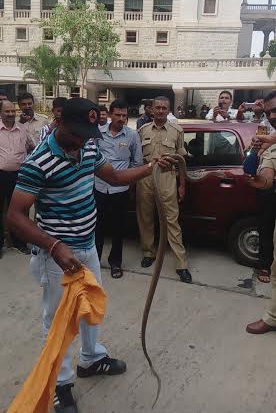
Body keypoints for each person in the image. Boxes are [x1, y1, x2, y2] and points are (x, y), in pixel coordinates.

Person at [7, 98, 174, 413]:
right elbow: (14, 216)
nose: (83, 140)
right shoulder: (38, 162)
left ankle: (91, 358)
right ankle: (60, 383)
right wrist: (54, 246)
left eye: (88, 132)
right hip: (58, 256)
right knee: (57, 321)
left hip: (86, 246)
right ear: (59, 122)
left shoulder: (88, 147)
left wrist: (150, 167)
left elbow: (112, 176)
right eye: (77, 133)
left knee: (92, 306)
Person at [136, 96, 192, 284]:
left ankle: (181, 264)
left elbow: (182, 161)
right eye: (157, 107)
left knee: (172, 221)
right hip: (145, 178)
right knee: (146, 217)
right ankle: (148, 252)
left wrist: (182, 184)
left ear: (169, 110)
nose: (160, 111)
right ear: (151, 109)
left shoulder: (177, 131)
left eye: (164, 108)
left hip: (168, 178)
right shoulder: (142, 130)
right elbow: (137, 160)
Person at [95, 99, 143, 278]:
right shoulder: (97, 133)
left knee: (118, 228)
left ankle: (115, 263)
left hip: (120, 191)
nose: (121, 118)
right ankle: (95, 261)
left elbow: (137, 163)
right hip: (98, 187)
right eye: (117, 115)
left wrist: (129, 184)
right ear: (109, 115)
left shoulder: (132, 136)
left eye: (124, 115)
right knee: (97, 227)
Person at [245, 91, 276, 334]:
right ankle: (273, 317)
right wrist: (256, 177)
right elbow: (266, 179)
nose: (273, 115)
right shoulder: (268, 142)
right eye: (269, 112)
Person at [0, 100, 34, 258]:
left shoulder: (22, 129)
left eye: (13, 111)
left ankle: (20, 243)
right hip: (1, 175)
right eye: (7, 111)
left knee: (20, 211)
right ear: (1, 112)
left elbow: (32, 147)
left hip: (20, 176)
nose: (11, 114)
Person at [249, 92, 276, 284]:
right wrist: (253, 150)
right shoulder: (264, 128)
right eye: (268, 113)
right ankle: (264, 264)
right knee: (265, 227)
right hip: (268, 187)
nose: (272, 116)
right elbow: (257, 152)